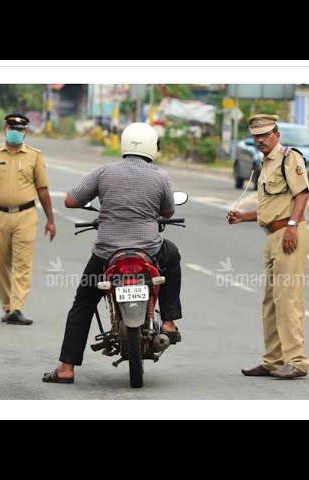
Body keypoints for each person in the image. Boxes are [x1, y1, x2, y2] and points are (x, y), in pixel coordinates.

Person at [42, 122, 183, 384]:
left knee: (83, 304)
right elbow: (168, 212)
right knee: (172, 256)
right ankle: (169, 322)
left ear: (124, 145)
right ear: (152, 146)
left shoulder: (104, 172)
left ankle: (66, 368)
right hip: (149, 250)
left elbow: (71, 201)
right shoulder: (160, 176)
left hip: (108, 253)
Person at [228, 114, 309, 379]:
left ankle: (297, 361)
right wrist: (244, 217)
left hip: (289, 234)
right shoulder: (264, 163)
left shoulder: (289, 158)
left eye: (265, 135)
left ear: (276, 134)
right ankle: (274, 360)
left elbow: (302, 194)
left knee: (288, 299)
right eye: (256, 136)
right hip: (273, 234)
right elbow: (270, 209)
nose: (260, 140)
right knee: (271, 302)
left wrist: (293, 225)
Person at [0, 113, 56, 325]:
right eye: (12, 129)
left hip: (26, 215)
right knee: (1, 264)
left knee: (22, 264)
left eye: (19, 130)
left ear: (25, 132)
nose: (15, 133)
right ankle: (8, 307)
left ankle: (17, 308)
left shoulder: (34, 157)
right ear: (5, 130)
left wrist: (50, 220)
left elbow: (43, 190)